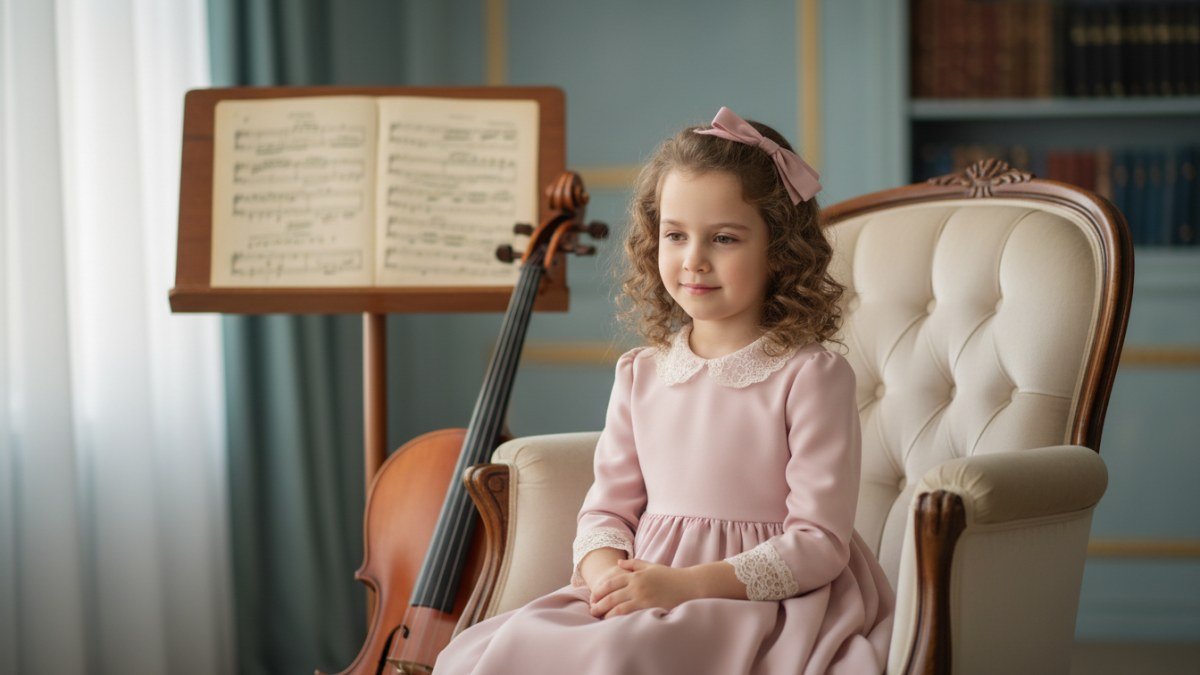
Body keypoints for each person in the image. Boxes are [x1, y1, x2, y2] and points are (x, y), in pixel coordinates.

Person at [433, 107, 894, 674]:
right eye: (675, 235)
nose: (694, 261)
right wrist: (607, 577)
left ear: (778, 250)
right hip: (645, 588)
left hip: (761, 600)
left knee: (627, 656)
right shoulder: (642, 372)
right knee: (499, 650)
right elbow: (606, 510)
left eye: (724, 238)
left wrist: (686, 586)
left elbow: (820, 542)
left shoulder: (810, 375)